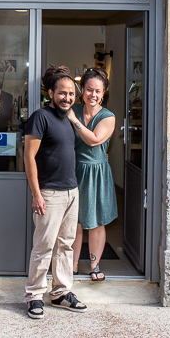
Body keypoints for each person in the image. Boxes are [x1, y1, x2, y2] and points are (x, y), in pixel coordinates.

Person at [23, 65, 88, 319]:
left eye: (71, 94)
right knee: (44, 246)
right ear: (51, 93)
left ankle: (60, 292)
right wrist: (36, 194)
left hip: (71, 191)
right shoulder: (40, 117)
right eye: (62, 93)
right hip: (49, 193)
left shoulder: (70, 118)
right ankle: (34, 295)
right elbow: (29, 157)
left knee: (65, 245)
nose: (67, 98)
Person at [67, 67, 117, 282]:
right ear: (82, 90)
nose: (93, 95)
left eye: (97, 91)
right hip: (74, 170)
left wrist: (73, 120)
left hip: (97, 173)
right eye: (89, 89)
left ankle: (95, 266)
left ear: (103, 93)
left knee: (96, 222)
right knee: (75, 221)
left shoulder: (108, 117)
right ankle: (72, 265)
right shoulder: (73, 109)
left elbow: (95, 140)